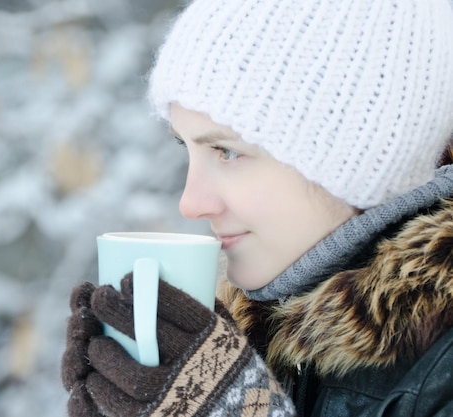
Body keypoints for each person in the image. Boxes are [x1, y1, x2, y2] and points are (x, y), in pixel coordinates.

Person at [62, 0, 453, 415]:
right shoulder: (243, 334)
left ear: (367, 153)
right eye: (186, 146)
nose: (191, 203)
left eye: (227, 152)